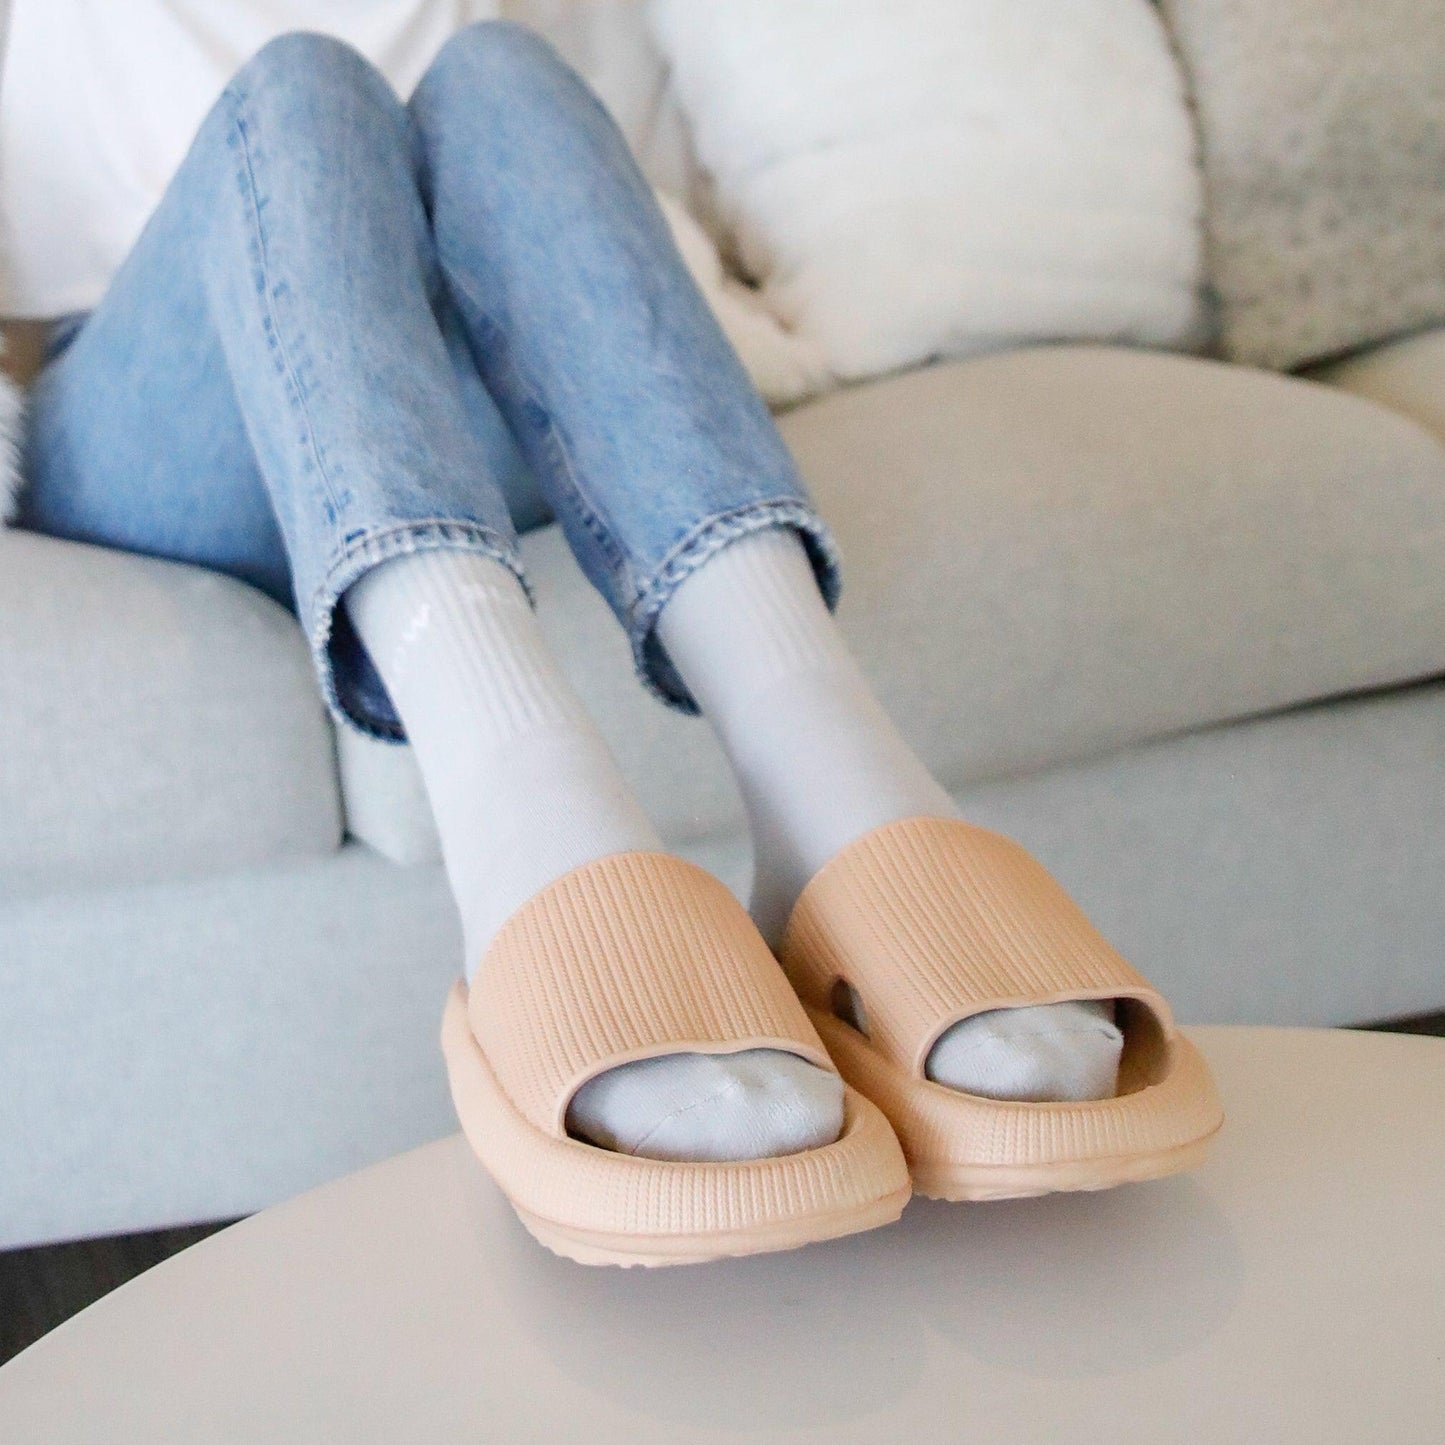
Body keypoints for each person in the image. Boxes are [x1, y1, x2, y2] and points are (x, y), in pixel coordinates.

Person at [3, 3, 1189, 1259]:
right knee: (297, 82)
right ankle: (519, 825)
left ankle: (830, 803)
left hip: (426, 394)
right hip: (152, 415)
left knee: (502, 71)